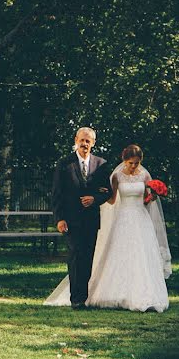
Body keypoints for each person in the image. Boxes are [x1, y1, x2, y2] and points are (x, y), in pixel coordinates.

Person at [45, 144, 172, 312]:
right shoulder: (117, 176)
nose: (134, 166)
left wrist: (153, 197)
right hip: (123, 218)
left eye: (136, 163)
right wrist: (99, 195)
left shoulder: (145, 175)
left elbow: (145, 201)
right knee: (119, 254)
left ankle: (143, 293)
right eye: (131, 163)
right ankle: (114, 293)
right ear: (124, 161)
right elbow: (111, 201)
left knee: (141, 254)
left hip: (140, 218)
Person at [50, 127, 112, 310]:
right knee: (76, 255)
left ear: (93, 143)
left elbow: (107, 191)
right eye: (82, 140)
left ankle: (84, 297)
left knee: (87, 258)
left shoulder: (101, 164)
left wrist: (95, 199)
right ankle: (76, 299)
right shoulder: (64, 164)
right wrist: (59, 219)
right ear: (76, 140)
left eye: (88, 141)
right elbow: (56, 193)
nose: (84, 144)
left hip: (91, 220)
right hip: (70, 220)